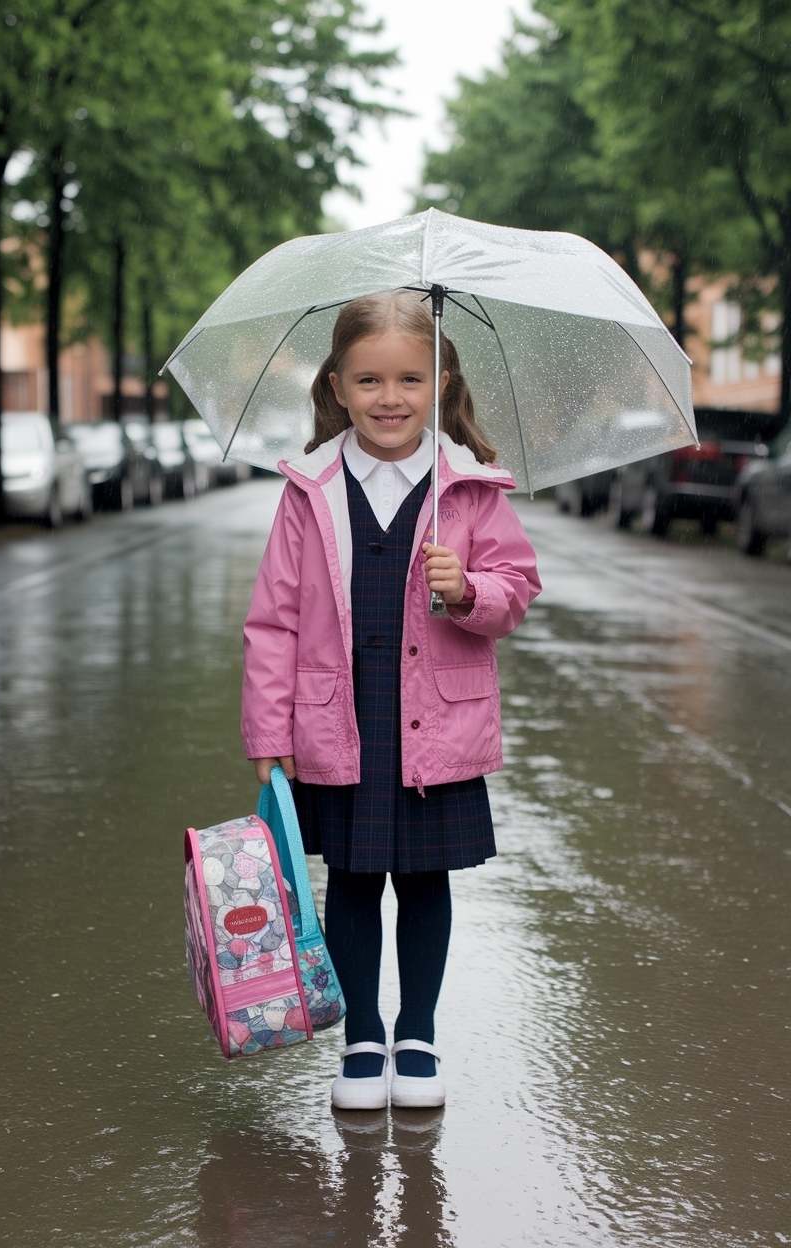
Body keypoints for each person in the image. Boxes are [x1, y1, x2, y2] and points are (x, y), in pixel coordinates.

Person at [242, 290, 541, 1110]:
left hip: (432, 727)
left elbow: (517, 590)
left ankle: (418, 1033)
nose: (389, 398)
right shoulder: (309, 490)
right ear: (337, 386)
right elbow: (272, 620)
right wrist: (270, 731)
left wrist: (470, 587)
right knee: (350, 878)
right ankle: (362, 1036)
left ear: (441, 384)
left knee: (423, 879)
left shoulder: (470, 489)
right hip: (340, 719)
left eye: (410, 378)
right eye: (369, 380)